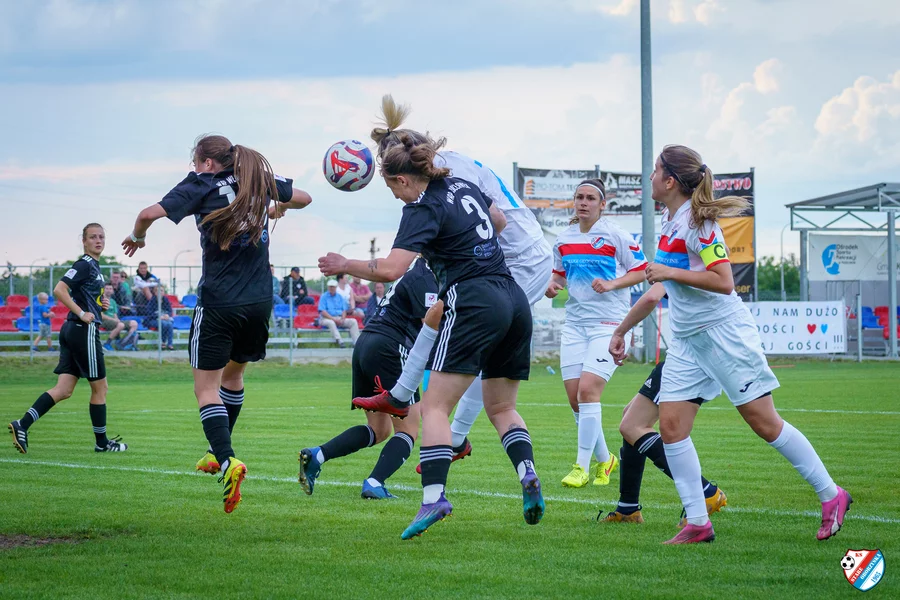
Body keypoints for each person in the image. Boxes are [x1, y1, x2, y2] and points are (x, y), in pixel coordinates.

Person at [319, 108, 543, 540]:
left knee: (436, 407)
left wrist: (343, 263)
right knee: (502, 407)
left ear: (403, 179)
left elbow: (391, 269)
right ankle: (528, 473)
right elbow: (498, 221)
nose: (394, 196)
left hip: (475, 298)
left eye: (391, 187)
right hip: (513, 296)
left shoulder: (421, 207)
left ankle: (433, 497)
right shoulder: (462, 185)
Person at [610, 144, 850, 544]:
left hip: (724, 335)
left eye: (654, 170)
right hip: (688, 342)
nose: (649, 177)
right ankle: (698, 523)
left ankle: (831, 495)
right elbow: (661, 285)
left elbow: (723, 281)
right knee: (671, 426)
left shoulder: (700, 224)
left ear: (670, 181)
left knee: (764, 422)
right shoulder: (670, 220)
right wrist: (622, 330)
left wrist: (669, 272)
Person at [352, 95, 553, 475]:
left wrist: (472, 261)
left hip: (513, 263)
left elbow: (495, 221)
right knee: (436, 315)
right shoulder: (444, 166)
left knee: (467, 358)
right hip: (514, 262)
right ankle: (401, 395)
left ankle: (455, 437)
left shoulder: (442, 176)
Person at [122, 134, 312, 513]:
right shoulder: (254, 178)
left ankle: (228, 462)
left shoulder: (201, 184)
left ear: (207, 162)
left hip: (219, 302)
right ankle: (215, 452)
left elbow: (146, 214)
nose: (194, 168)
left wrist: (136, 237)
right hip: (259, 301)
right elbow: (304, 198)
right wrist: (275, 208)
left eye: (196, 162)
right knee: (233, 376)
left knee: (205, 388)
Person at [299, 258, 440, 500]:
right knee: (408, 430)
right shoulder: (427, 275)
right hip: (390, 348)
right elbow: (430, 322)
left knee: (379, 429)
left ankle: (317, 455)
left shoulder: (412, 272)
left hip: (367, 343)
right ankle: (375, 482)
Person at [543, 178, 649, 488]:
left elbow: (642, 270)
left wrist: (613, 284)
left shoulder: (615, 235)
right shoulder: (564, 239)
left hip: (610, 325)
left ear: (603, 205)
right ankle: (606, 459)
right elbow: (559, 274)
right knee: (577, 401)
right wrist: (552, 285)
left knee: (588, 392)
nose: (584, 202)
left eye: (591, 198)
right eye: (579, 197)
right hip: (575, 325)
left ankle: (581, 467)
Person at [598, 283, 727, 523]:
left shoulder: (677, 264)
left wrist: (619, 332)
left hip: (687, 360)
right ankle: (628, 508)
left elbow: (650, 298)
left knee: (632, 426)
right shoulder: (701, 269)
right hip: (702, 354)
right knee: (631, 418)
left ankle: (705, 491)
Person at [8, 223, 128, 454]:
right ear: (83, 241)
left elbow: (86, 296)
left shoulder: (95, 267)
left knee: (63, 390)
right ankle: (102, 443)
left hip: (72, 329)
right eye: (92, 237)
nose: (98, 241)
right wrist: (83, 313)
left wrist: (99, 304)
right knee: (100, 388)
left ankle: (22, 424)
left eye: (101, 237)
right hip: (83, 330)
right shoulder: (84, 264)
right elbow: (59, 290)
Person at [318, 279, 360, 347]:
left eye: (333, 287)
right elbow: (323, 311)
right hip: (326, 318)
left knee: (353, 321)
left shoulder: (340, 297)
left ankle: (357, 343)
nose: (332, 288)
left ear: (336, 287)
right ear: (328, 287)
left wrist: (342, 319)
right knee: (331, 322)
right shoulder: (324, 296)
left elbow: (344, 310)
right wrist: (333, 319)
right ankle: (340, 341)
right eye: (330, 286)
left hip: (339, 318)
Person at [100, 283, 139, 351]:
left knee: (134, 323)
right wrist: (114, 320)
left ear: (112, 291)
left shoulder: (113, 301)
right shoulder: (100, 300)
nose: (109, 290)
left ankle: (124, 344)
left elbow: (115, 314)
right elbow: (101, 315)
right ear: (103, 290)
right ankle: (107, 344)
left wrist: (116, 319)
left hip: (114, 321)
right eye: (107, 288)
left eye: (110, 289)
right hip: (103, 322)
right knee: (120, 325)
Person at [140, 283, 175, 350]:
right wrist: (158, 316)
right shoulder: (152, 301)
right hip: (153, 320)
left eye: (162, 290)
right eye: (158, 291)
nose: (160, 292)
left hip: (164, 319)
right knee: (163, 323)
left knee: (170, 324)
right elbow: (149, 313)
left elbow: (170, 311)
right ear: (155, 293)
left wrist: (167, 315)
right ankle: (163, 342)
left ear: (164, 292)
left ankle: (170, 344)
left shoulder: (165, 300)